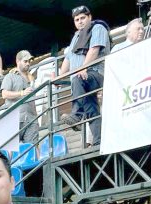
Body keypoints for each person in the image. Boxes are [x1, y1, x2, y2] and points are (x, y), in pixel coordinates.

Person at [59, 5, 110, 148]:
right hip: (82, 80)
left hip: (95, 74)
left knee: (78, 78)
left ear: (90, 17)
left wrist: (83, 68)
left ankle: (76, 115)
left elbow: (94, 50)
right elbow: (68, 59)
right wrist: (58, 78)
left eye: (83, 18)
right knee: (91, 110)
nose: (80, 21)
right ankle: (99, 142)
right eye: (77, 19)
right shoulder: (76, 36)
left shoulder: (98, 28)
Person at [1, 50, 39, 144]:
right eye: (25, 61)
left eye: (29, 61)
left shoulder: (31, 78)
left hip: (31, 118)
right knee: (10, 150)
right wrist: (21, 93)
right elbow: (4, 94)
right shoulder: (10, 76)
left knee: (33, 148)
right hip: (14, 117)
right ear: (18, 61)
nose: (28, 64)